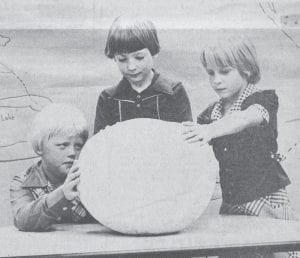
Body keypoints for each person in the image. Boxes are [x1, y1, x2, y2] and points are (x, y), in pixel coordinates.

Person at [182, 35, 299, 258]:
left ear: (246, 69)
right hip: (232, 205)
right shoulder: (208, 115)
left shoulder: (262, 100)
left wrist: (209, 131)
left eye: (224, 71)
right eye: (210, 73)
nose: (216, 80)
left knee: (279, 253)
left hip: (266, 201)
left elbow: (244, 119)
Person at [94, 16, 192, 133]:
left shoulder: (174, 92)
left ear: (154, 53)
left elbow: (187, 141)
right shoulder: (108, 99)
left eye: (139, 57)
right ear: (114, 58)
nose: (131, 67)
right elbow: (99, 145)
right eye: (122, 59)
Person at [10, 103, 95, 231]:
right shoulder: (23, 182)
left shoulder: (91, 176)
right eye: (63, 145)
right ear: (39, 147)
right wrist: (62, 194)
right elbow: (22, 220)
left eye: (78, 146)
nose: (72, 152)